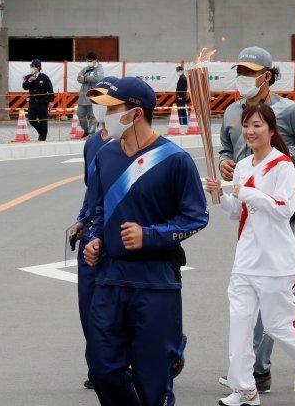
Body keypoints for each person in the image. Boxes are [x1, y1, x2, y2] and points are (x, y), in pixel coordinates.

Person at [82, 77, 208, 406]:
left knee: (153, 381)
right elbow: (96, 208)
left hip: (155, 283)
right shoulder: (105, 155)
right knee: (103, 370)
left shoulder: (174, 159)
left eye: (112, 108)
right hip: (109, 279)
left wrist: (150, 235)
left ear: (135, 114)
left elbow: (196, 216)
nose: (104, 114)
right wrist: (95, 238)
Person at [218, 46, 295, 393]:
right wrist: (226, 162)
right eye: (239, 70)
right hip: (245, 204)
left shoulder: (289, 110)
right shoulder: (231, 111)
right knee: (272, 285)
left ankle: (260, 367)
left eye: (250, 71)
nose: (243, 77)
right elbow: (227, 146)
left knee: (270, 283)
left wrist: (287, 154)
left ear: (266, 76)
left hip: (278, 199)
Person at [66, 76, 117, 391]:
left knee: (124, 304)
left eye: (107, 103)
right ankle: (99, 365)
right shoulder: (93, 143)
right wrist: (82, 220)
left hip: (126, 235)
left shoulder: (142, 145)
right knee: (90, 303)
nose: (100, 108)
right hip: (95, 232)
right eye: (95, 101)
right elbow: (92, 191)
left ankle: (153, 355)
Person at [22, 59, 54, 141]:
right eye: (31, 66)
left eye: (33, 66)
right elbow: (25, 87)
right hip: (32, 102)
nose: (31, 68)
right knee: (31, 119)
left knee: (43, 121)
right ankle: (41, 133)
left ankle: (43, 138)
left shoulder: (44, 77)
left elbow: (50, 90)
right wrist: (29, 81)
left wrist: (51, 101)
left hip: (42, 102)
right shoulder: (29, 76)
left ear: (38, 67)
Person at [77, 51, 105, 137]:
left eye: (90, 60)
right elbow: (79, 77)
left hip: (93, 97)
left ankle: (91, 134)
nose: (88, 62)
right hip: (82, 98)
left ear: (95, 60)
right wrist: (83, 78)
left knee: (93, 117)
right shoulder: (85, 69)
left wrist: (85, 78)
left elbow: (98, 78)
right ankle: (86, 130)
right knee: (80, 114)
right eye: (87, 60)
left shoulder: (99, 68)